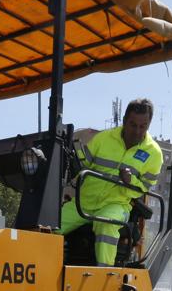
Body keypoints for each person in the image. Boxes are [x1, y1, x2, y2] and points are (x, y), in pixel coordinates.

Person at [59, 98, 163, 265]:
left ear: (149, 125)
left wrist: (131, 180)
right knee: (49, 226)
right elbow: (80, 165)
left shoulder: (154, 154)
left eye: (142, 126)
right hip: (84, 202)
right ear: (124, 121)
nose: (137, 131)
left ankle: (104, 275)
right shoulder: (103, 138)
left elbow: (144, 188)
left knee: (106, 223)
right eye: (132, 124)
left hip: (117, 205)